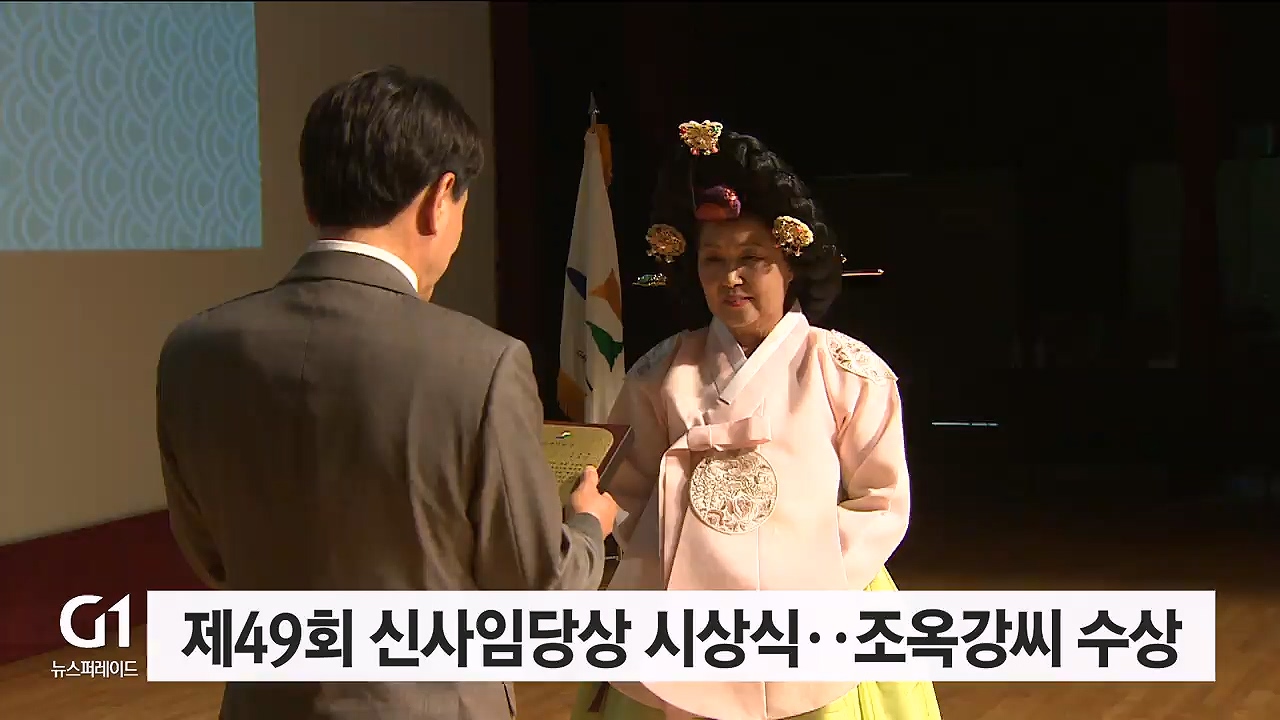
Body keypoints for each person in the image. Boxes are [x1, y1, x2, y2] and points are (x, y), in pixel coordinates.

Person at [155, 66, 619, 720]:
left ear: (313, 202)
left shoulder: (192, 351)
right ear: (440, 198)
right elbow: (536, 595)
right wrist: (587, 526)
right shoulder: (483, 363)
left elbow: (211, 556)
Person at [571, 121, 942, 720]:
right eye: (713, 260)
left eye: (752, 259)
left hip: (817, 601)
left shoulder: (845, 370)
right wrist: (681, 561)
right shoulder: (661, 372)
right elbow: (629, 489)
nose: (731, 278)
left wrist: (802, 579)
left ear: (790, 266)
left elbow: (881, 500)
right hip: (687, 606)